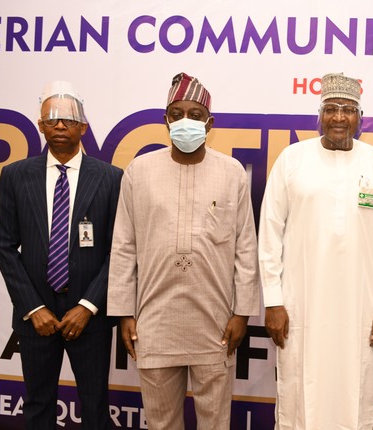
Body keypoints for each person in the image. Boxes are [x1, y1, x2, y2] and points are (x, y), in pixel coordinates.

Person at [107, 72, 260, 430]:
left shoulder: (232, 172)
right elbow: (124, 246)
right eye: (176, 114)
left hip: (215, 318)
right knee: (161, 422)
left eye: (194, 114)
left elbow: (245, 249)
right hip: (154, 318)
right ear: (165, 120)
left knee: (215, 421)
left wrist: (242, 312)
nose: (185, 121)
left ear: (210, 123)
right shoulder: (139, 172)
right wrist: (123, 312)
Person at [259, 72, 373, 429]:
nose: (338, 117)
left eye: (347, 109)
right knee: (299, 392)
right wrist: (273, 301)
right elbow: (269, 235)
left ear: (360, 116)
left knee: (356, 390)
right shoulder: (292, 160)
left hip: (362, 307)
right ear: (319, 114)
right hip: (300, 305)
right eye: (331, 109)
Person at [0, 80, 122, 429]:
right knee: (37, 406)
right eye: (51, 119)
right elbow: (5, 246)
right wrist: (32, 308)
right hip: (36, 318)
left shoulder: (111, 178)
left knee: (96, 408)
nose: (60, 125)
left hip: (91, 319)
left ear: (84, 126)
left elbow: (120, 250)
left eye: (68, 119)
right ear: (40, 125)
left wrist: (88, 306)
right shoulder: (15, 176)